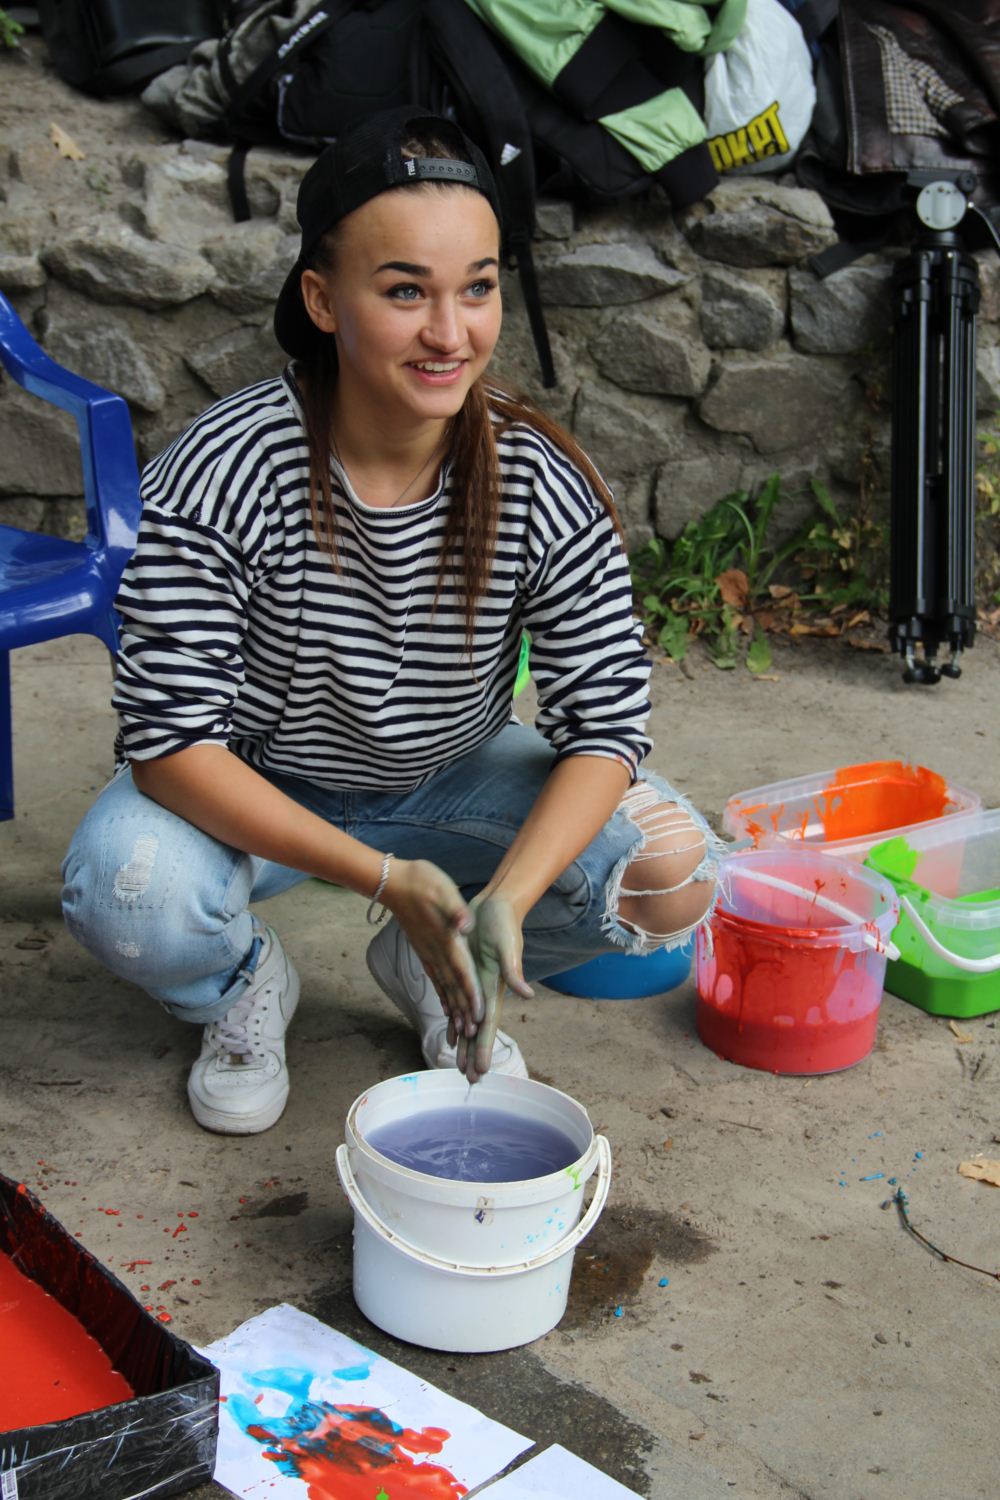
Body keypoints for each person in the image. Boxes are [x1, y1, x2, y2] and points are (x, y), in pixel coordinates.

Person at [60, 106, 721, 1136]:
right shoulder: (225, 468)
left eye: (478, 288)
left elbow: (607, 728)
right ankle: (240, 986)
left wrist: (507, 899)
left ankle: (434, 955)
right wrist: (380, 876)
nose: (450, 334)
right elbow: (170, 745)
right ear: (323, 299)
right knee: (126, 893)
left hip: (450, 779)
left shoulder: (538, 475)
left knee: (670, 873)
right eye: (405, 290)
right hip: (257, 782)